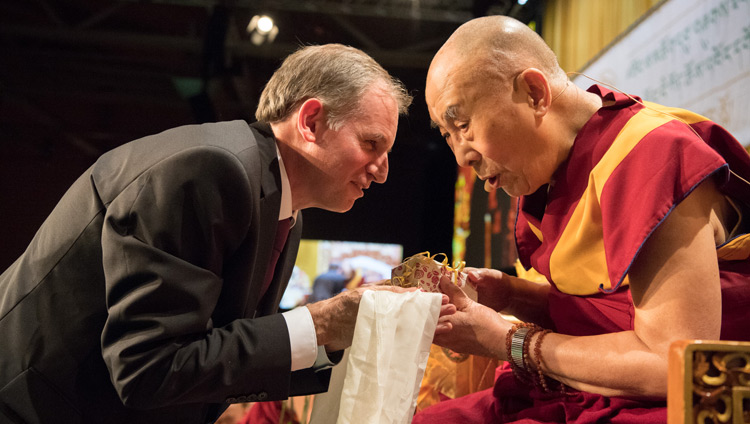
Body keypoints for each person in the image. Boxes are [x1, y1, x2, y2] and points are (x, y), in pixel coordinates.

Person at [0, 43, 450, 424]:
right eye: (372, 144)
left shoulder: (281, 205)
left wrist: (333, 336)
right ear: (311, 121)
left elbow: (226, 353)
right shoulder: (211, 170)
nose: (384, 171)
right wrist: (319, 323)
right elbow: (147, 367)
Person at [415, 15, 750, 423]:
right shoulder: (547, 176)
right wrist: (509, 295)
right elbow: (600, 310)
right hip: (588, 390)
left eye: (463, 125)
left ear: (535, 93)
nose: (462, 156)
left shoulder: (651, 157)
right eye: (448, 135)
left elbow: (673, 363)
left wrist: (505, 339)